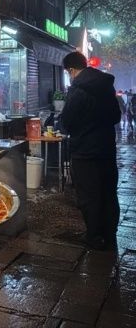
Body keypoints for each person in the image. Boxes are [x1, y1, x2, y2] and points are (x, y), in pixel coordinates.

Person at [60, 51, 120, 251]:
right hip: (106, 149)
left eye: (69, 73)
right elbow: (116, 117)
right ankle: (109, 234)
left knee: (89, 195)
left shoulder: (78, 90)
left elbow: (66, 122)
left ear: (71, 70)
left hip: (84, 152)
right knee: (108, 192)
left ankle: (94, 237)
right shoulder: (106, 86)